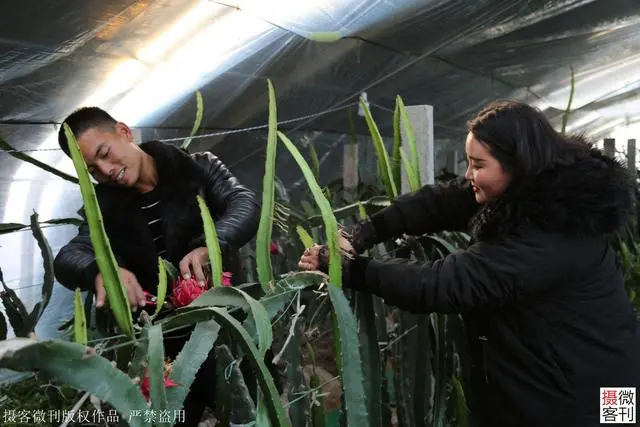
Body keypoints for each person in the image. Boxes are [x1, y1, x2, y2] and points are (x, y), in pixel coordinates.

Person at [299, 100, 640, 426]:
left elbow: (447, 283)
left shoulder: (552, 232)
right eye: (468, 162)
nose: (469, 174)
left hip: (596, 396)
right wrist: (365, 231)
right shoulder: (541, 192)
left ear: (518, 163)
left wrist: (352, 270)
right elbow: (445, 200)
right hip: (600, 374)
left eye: (478, 165)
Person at [53, 107, 262, 426]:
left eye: (105, 153)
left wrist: (211, 244)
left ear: (124, 131)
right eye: (93, 170)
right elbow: (69, 256)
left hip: (228, 329)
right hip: (166, 350)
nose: (106, 170)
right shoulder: (102, 212)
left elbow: (243, 202)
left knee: (248, 415)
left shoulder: (197, 167)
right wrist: (101, 271)